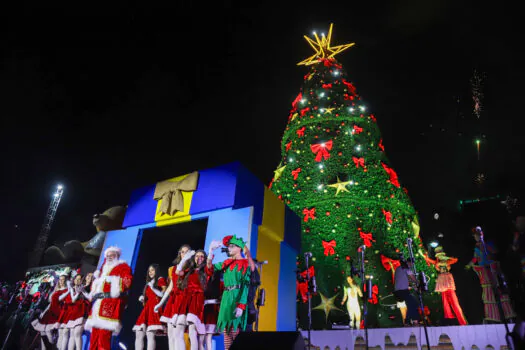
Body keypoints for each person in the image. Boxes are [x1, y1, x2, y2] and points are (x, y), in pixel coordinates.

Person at [207, 235, 252, 350]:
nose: (229, 248)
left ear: (239, 248)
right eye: (228, 246)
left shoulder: (245, 263)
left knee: (235, 331)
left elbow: (245, 285)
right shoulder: (227, 262)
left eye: (232, 246)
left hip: (236, 297)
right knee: (226, 332)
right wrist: (210, 251)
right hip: (226, 298)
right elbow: (210, 269)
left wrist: (241, 305)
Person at [84, 246, 133, 350]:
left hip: (110, 303)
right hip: (98, 303)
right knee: (94, 338)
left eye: (112, 255)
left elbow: (127, 282)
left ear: (117, 256)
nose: (109, 257)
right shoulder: (103, 269)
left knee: (104, 337)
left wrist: (113, 280)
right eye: (107, 256)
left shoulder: (123, 266)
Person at [465, 227, 516, 323]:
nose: (477, 237)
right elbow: (475, 258)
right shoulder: (476, 247)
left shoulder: (488, 244)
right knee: (489, 293)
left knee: (500, 292)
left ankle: (508, 315)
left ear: (482, 234)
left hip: (493, 270)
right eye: (475, 236)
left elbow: (496, 254)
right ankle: (494, 317)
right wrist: (469, 265)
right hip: (485, 271)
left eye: (478, 235)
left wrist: (491, 257)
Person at [155, 244, 194, 350]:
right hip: (173, 301)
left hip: (184, 300)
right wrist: (161, 303)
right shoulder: (173, 269)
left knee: (178, 334)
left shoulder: (192, 269)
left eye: (187, 252)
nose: (184, 254)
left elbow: (180, 273)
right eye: (182, 252)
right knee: (171, 335)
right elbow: (170, 287)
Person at [420, 246, 467, 325]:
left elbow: (455, 260)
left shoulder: (447, 262)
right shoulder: (437, 262)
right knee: (445, 303)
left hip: (447, 282)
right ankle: (450, 320)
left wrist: (446, 258)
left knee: (454, 302)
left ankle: (462, 322)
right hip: (441, 282)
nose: (438, 256)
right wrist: (423, 255)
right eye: (438, 255)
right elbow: (428, 260)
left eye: (439, 254)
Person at [133, 264, 167, 350]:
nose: (150, 272)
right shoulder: (149, 283)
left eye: (152, 270)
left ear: (157, 271)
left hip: (154, 309)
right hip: (147, 309)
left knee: (150, 335)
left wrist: (152, 287)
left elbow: (162, 294)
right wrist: (143, 298)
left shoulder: (160, 279)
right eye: (149, 270)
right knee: (139, 333)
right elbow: (149, 298)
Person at [31, 274, 68, 350]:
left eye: (63, 279)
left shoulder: (66, 290)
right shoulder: (56, 289)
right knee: (42, 332)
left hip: (57, 311)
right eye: (60, 279)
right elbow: (50, 300)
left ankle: (52, 347)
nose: (61, 281)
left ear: (66, 280)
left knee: (48, 331)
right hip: (49, 310)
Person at [58, 272, 89, 350]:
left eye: (79, 279)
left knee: (77, 333)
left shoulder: (84, 288)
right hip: (72, 314)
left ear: (82, 281)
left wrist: (82, 291)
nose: (78, 281)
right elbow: (73, 299)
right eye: (76, 279)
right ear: (74, 280)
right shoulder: (72, 289)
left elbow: (89, 298)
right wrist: (78, 292)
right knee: (71, 334)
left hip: (81, 313)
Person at [200, 269, 223, 350]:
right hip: (204, 311)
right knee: (202, 338)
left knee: (207, 337)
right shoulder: (204, 283)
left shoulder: (220, 284)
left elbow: (221, 298)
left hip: (212, 311)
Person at [393, 257, 419, 327]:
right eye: (411, 264)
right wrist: (418, 283)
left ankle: (410, 321)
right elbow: (413, 278)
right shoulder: (406, 268)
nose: (411, 266)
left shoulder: (398, 268)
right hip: (403, 290)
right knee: (413, 303)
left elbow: (402, 279)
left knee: (411, 303)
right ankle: (411, 321)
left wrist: (411, 285)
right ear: (409, 262)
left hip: (398, 291)